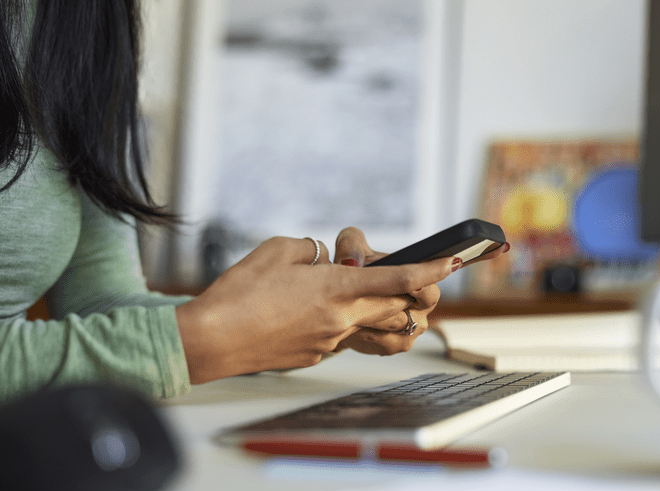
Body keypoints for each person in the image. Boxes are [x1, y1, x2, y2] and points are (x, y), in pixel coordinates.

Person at [0, 0, 505, 403]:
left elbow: (103, 304)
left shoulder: (87, 21)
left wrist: (324, 318)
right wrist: (203, 342)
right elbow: (166, 342)